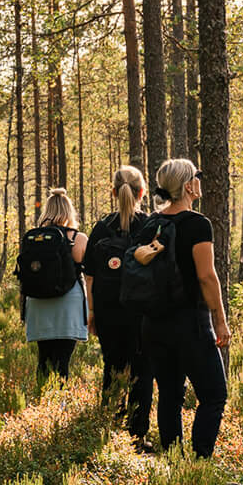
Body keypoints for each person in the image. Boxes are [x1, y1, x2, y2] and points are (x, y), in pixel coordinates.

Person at [133, 158, 231, 457]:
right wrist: (220, 320)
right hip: (191, 323)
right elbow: (206, 275)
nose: (200, 181)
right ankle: (200, 465)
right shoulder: (197, 224)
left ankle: (176, 466)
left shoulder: (152, 224)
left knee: (170, 396)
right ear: (188, 186)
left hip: (153, 324)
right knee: (214, 395)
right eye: (196, 177)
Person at [86, 166, 155, 444]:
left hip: (108, 311)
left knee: (113, 367)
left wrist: (91, 312)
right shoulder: (151, 226)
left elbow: (89, 275)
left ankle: (110, 430)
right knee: (143, 370)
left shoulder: (102, 227)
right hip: (143, 314)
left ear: (113, 192)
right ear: (142, 192)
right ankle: (138, 435)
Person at [21, 189, 89, 378]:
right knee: (63, 360)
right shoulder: (78, 238)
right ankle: (59, 404)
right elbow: (89, 272)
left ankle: (40, 399)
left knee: (44, 358)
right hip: (68, 304)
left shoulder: (33, 238)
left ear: (47, 210)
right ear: (69, 211)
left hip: (37, 302)